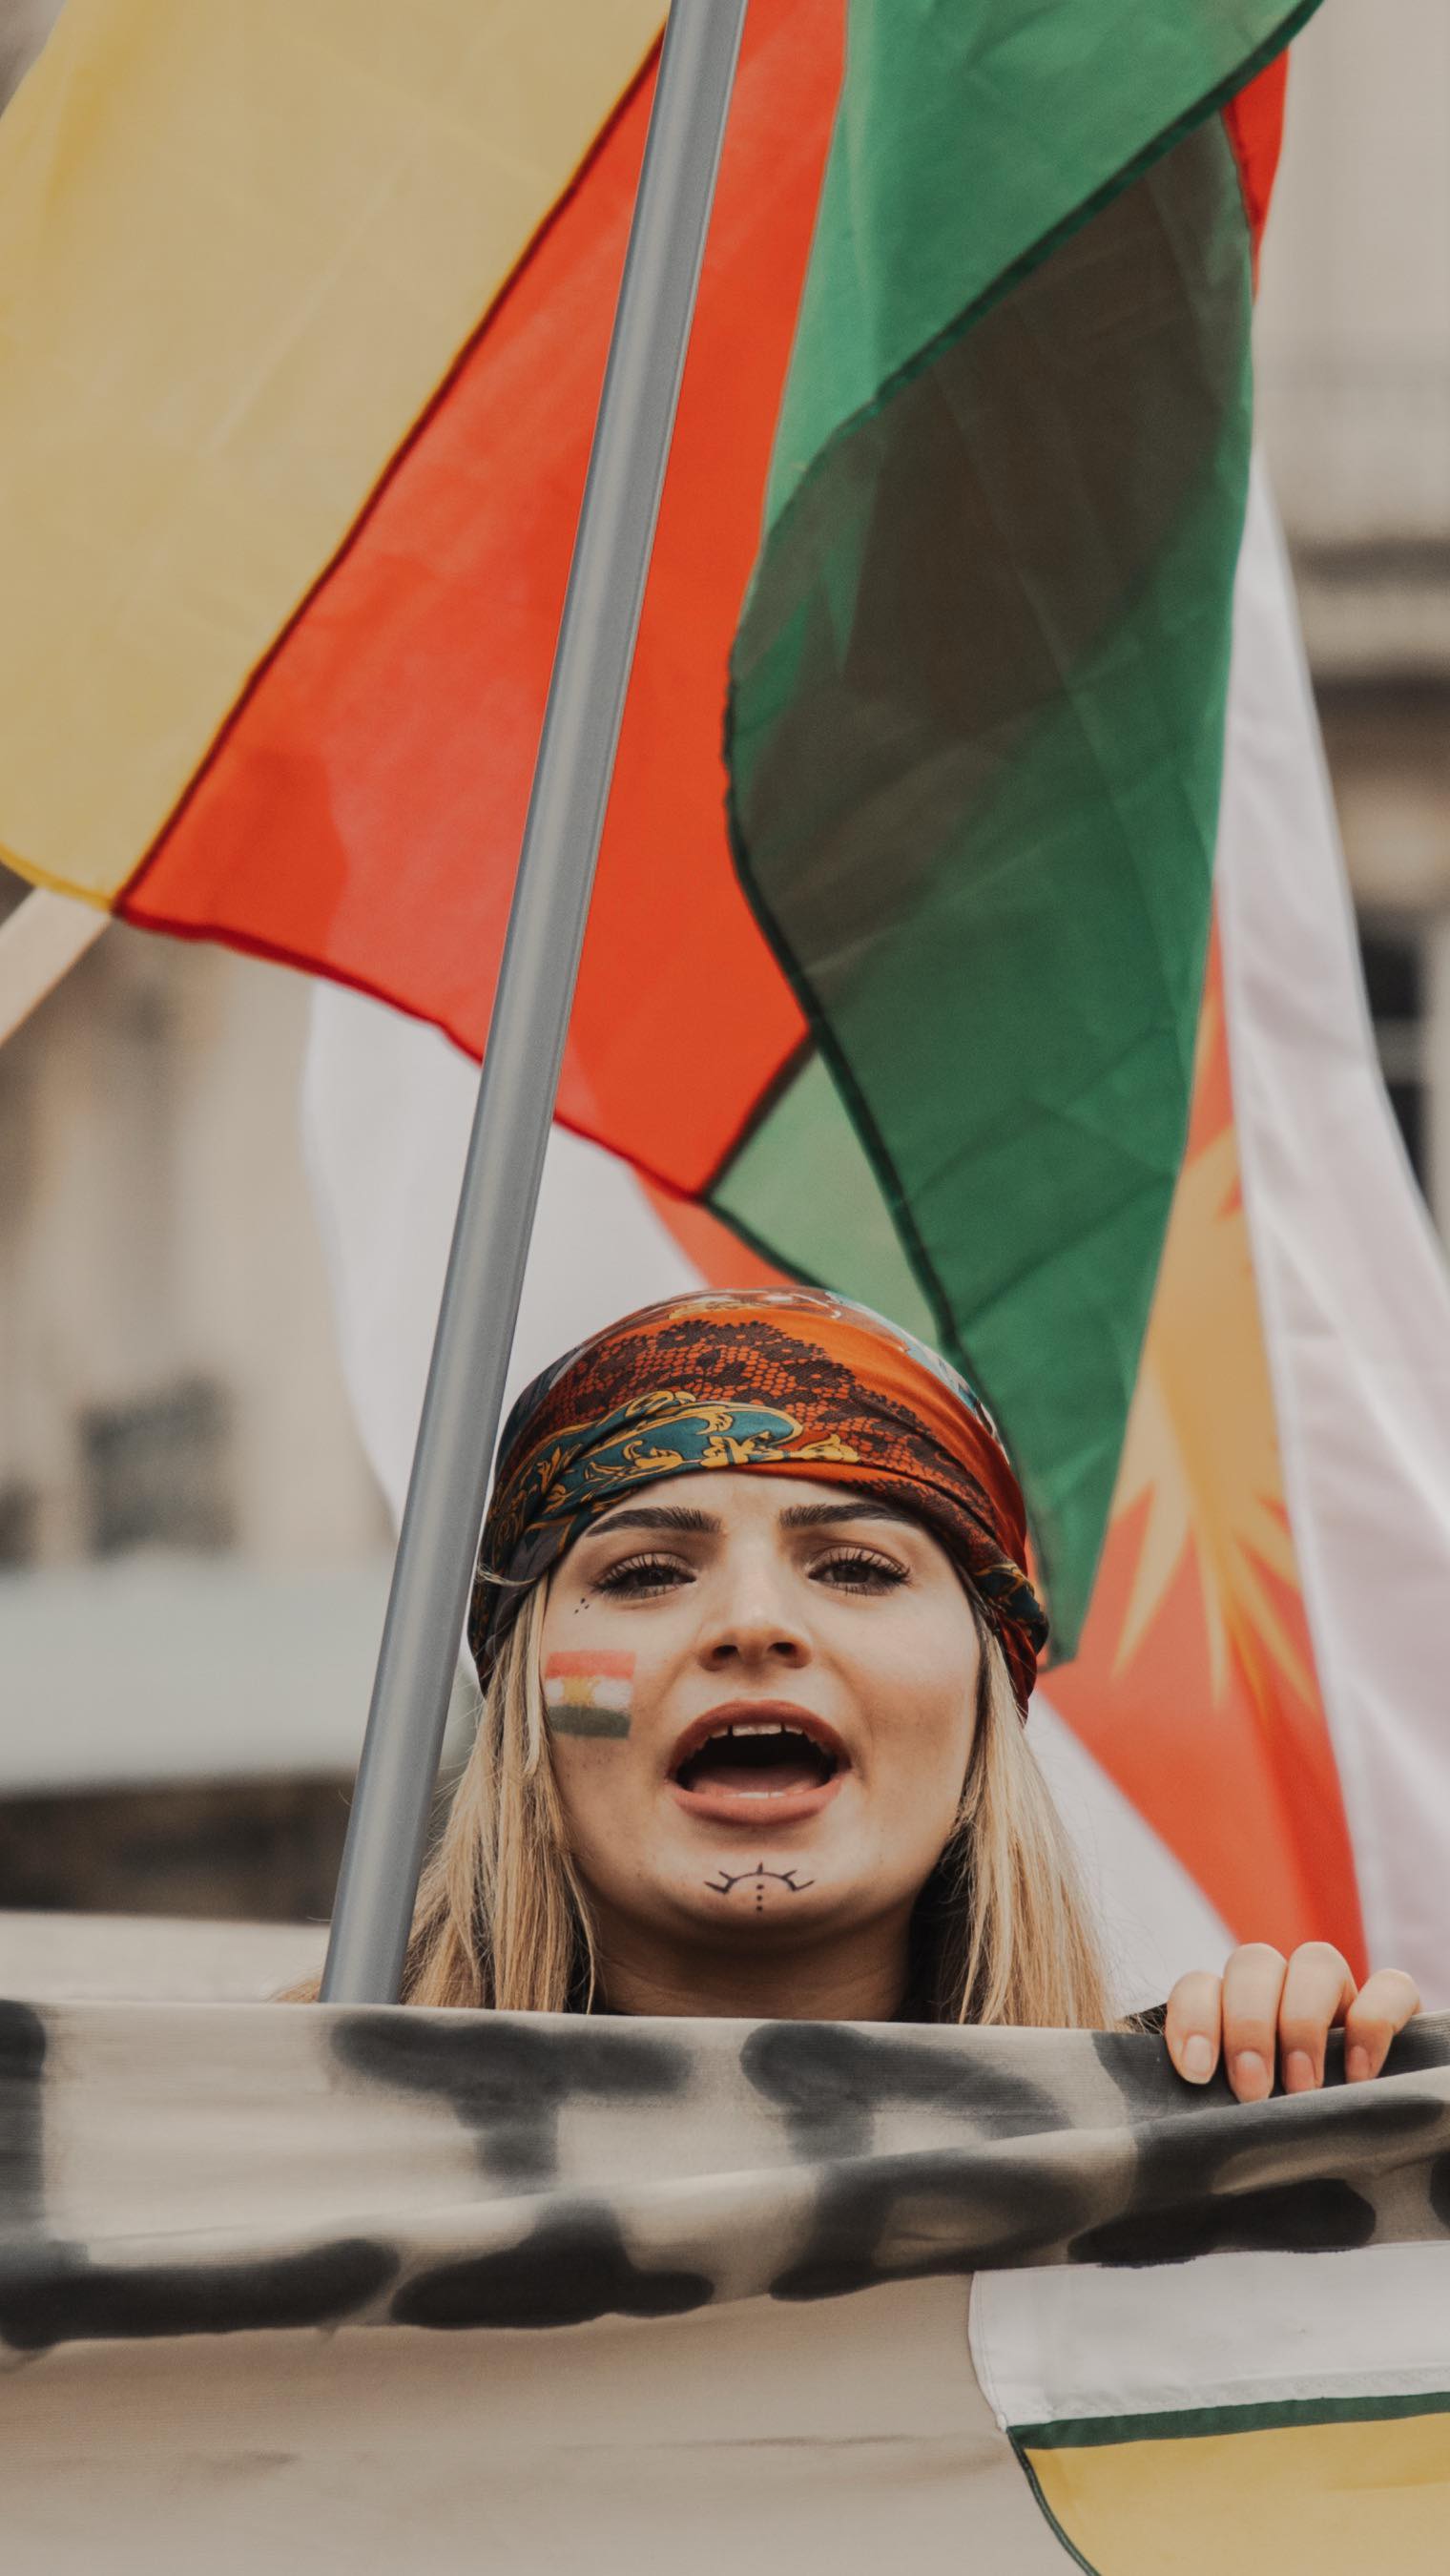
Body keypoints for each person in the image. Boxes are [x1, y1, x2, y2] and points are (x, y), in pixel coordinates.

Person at [347, 1288, 1421, 2098]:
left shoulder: (1205, 2150)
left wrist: (1298, 2119)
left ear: (986, 1695)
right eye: (645, 1574)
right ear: (521, 1702)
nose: (751, 1622)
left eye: (857, 1569)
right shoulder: (268, 2156)